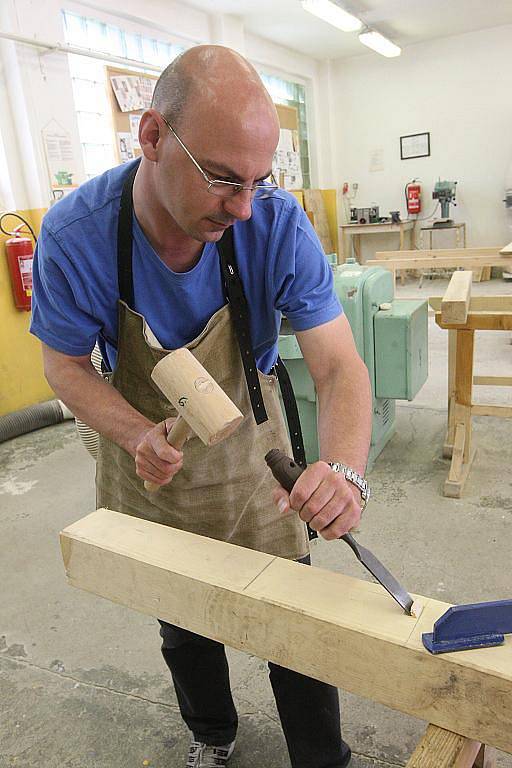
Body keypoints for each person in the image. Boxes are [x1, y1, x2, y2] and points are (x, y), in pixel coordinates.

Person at [31, 45, 372, 768]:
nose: (243, 206)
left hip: (255, 451)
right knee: (184, 616)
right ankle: (212, 735)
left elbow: (339, 366)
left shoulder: (274, 224)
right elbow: (63, 364)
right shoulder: (75, 232)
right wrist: (131, 433)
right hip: (153, 459)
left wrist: (343, 468)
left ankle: (322, 757)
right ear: (152, 137)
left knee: (293, 614)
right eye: (222, 178)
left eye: (259, 181)